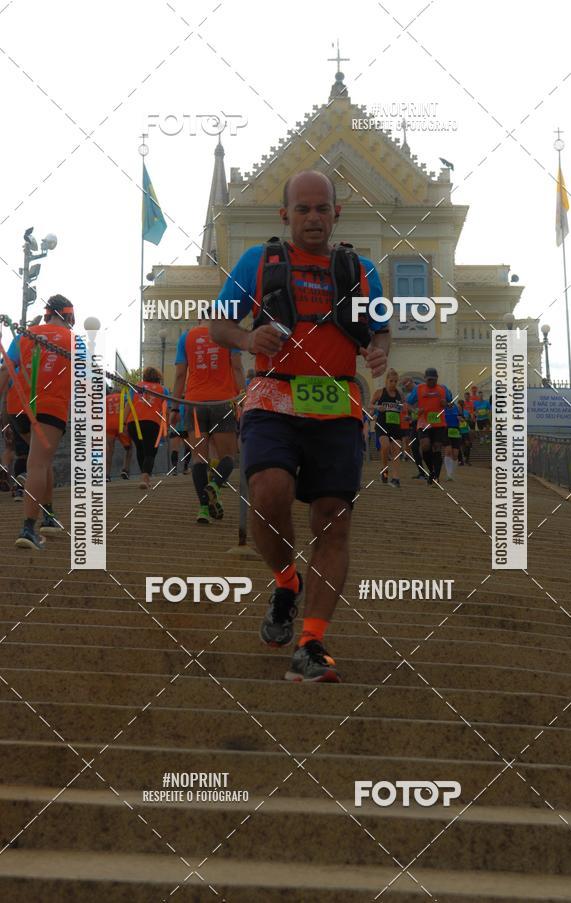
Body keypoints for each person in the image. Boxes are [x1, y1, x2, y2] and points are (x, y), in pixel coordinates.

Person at [209, 169, 389, 682]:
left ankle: (311, 642)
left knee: (334, 517)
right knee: (268, 491)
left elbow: (381, 330)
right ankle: (286, 582)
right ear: (285, 214)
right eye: (303, 209)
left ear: (337, 213)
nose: (313, 218)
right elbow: (219, 324)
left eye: (322, 208)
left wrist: (378, 352)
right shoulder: (259, 262)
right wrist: (247, 341)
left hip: (336, 401)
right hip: (272, 394)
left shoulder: (360, 270)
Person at [0, 296, 74, 549]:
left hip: (18, 406)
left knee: (42, 460)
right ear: (70, 317)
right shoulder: (74, 340)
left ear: (47, 315)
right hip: (50, 406)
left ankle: (50, 516)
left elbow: (5, 370)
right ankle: (28, 528)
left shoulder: (25, 334)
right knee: (39, 462)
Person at [171, 317, 244, 523]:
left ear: (200, 319)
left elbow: (179, 375)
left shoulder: (186, 337)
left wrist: (175, 408)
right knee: (228, 457)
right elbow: (237, 368)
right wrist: (243, 396)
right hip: (223, 402)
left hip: (194, 404)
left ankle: (203, 509)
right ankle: (214, 485)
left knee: (198, 459)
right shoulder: (226, 335)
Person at [124, 367, 169, 490]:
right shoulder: (163, 390)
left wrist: (123, 423)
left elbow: (129, 404)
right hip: (152, 422)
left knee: (140, 449)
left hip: (134, 422)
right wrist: (166, 428)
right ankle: (145, 477)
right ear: (158, 377)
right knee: (150, 451)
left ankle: (144, 477)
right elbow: (165, 411)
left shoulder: (137, 386)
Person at [406, 367, 452, 485]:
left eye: (433, 380)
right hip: (424, 422)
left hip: (438, 423)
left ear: (437, 379)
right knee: (425, 446)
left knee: (437, 448)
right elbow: (408, 403)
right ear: (425, 379)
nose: (431, 382)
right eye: (429, 380)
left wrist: (446, 404)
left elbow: (451, 404)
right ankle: (431, 471)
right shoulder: (419, 389)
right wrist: (415, 410)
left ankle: (435, 475)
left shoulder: (443, 389)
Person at [371, 368, 403, 487]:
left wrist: (405, 410)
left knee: (396, 451)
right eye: (391, 381)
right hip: (382, 425)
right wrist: (376, 408)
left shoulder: (399, 394)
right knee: (385, 446)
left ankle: (396, 478)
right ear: (386, 381)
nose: (393, 384)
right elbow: (370, 405)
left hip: (395, 426)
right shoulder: (379, 392)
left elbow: (403, 406)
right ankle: (384, 470)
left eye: (395, 381)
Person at [105, 388, 133, 481]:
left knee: (109, 450)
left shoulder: (105, 399)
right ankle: (125, 470)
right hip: (121, 425)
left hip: (109, 425)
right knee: (129, 448)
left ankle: (107, 475)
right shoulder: (124, 397)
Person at [402, 377, 426, 479]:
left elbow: (416, 407)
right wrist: (410, 417)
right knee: (414, 447)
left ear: (411, 382)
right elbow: (413, 411)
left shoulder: (419, 389)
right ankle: (422, 472)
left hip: (425, 422)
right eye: (405, 387)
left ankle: (430, 471)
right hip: (416, 423)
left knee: (425, 446)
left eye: (407, 385)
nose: (406, 388)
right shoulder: (410, 395)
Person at [443, 402, 462, 480]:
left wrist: (461, 419)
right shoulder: (443, 408)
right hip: (446, 430)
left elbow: (463, 418)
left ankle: (451, 473)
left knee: (455, 455)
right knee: (448, 452)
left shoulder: (457, 408)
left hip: (455, 431)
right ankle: (449, 474)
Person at [457, 400, 472, 466]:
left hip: (465, 431)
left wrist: (465, 419)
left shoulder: (466, 412)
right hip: (458, 431)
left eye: (460, 405)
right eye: (459, 405)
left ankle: (467, 459)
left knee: (467, 444)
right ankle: (460, 460)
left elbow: (470, 420)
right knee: (459, 446)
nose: (459, 407)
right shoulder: (455, 413)